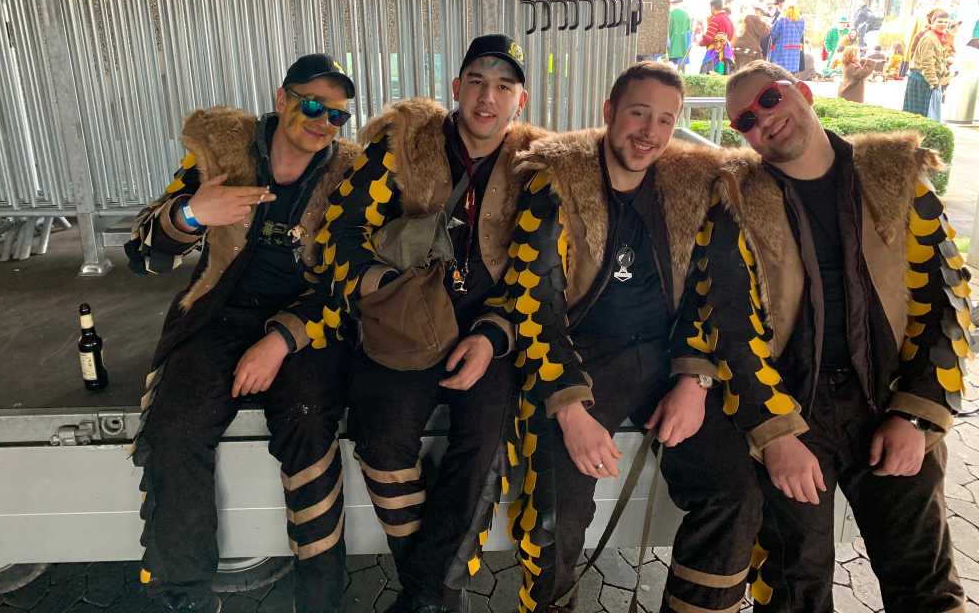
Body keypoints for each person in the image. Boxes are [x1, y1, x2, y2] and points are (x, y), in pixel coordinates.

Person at [682, 59, 972, 613]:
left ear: (804, 92)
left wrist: (916, 416)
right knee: (794, 584)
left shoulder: (895, 179)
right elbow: (731, 326)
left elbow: (946, 302)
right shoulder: (735, 203)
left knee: (925, 581)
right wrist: (776, 435)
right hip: (796, 407)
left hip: (889, 400)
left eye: (770, 99)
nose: (764, 119)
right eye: (746, 120)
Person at [291, 34, 543, 613]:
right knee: (380, 441)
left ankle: (425, 595)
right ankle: (430, 587)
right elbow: (340, 230)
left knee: (484, 445)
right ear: (456, 88)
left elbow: (541, 272)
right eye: (476, 82)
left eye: (503, 86)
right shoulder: (404, 147)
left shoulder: (535, 167)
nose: (487, 98)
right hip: (403, 327)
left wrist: (493, 335)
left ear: (520, 100)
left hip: (487, 333)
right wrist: (381, 285)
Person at [480, 61, 726, 612]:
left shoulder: (688, 188)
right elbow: (535, 306)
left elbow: (706, 294)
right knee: (555, 511)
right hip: (581, 358)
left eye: (665, 120)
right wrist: (570, 410)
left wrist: (694, 380)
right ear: (610, 111)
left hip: (668, 357)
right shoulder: (556, 181)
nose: (650, 132)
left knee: (734, 489)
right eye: (638, 113)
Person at [125, 54, 363, 613]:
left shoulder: (350, 175)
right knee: (174, 428)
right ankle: (186, 595)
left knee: (309, 423)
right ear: (282, 99)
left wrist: (280, 339)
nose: (324, 122)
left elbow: (350, 280)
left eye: (337, 115)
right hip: (220, 315)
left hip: (305, 321)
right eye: (312, 105)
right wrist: (192, 214)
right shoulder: (221, 156)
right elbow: (141, 254)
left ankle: (321, 602)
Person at [903, 9, 951, 120]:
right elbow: (927, 63)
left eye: (945, 22)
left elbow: (938, 60)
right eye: (940, 21)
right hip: (922, 79)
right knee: (920, 118)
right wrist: (934, 83)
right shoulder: (929, 38)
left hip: (927, 79)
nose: (943, 24)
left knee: (925, 118)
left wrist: (945, 74)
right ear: (932, 22)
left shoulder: (938, 36)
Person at [768, 3, 805, 74]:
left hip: (781, 55)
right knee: (790, 76)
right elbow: (800, 36)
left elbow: (773, 34)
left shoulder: (781, 20)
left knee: (779, 75)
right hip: (794, 57)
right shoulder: (801, 22)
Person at [667, 0, 692, 70]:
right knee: (682, 63)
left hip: (672, 44)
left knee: (671, 66)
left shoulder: (670, 14)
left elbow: (667, 30)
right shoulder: (686, 15)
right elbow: (688, 32)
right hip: (683, 44)